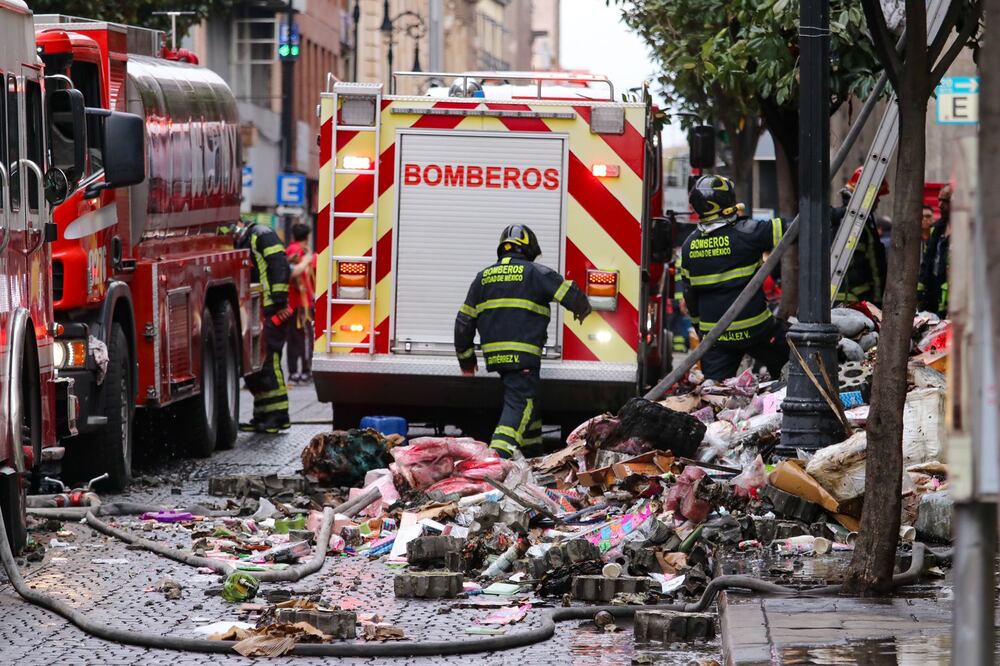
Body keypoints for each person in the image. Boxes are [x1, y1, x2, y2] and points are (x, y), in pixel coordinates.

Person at [454, 225, 592, 458]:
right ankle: (496, 457)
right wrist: (584, 310)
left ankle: (532, 453)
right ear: (528, 249)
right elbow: (570, 294)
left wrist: (466, 360)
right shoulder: (535, 273)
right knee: (521, 405)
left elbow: (463, 322)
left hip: (496, 356)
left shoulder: (483, 277)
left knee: (531, 403)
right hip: (523, 356)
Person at [678, 174, 789, 382]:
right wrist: (835, 215)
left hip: (717, 340)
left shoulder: (688, 246)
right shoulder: (748, 233)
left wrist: (703, 336)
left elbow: (690, 296)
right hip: (758, 331)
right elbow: (793, 227)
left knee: (715, 394)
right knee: (795, 360)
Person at [231, 219, 292, 434]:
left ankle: (278, 416)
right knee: (259, 365)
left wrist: (279, 298)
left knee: (270, 361)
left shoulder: (261, 234)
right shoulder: (248, 238)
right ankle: (262, 416)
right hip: (259, 309)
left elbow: (278, 263)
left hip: (270, 309)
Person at [830, 167, 889, 306]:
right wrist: (876, 302)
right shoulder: (858, 226)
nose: (878, 201)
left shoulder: (840, 219)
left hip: (837, 299)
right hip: (855, 301)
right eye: (877, 197)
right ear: (868, 195)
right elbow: (874, 267)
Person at [286, 222, 316, 383]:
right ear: (307, 237)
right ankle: (304, 371)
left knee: (294, 339)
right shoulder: (299, 252)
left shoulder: (291, 250)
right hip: (300, 304)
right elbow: (293, 272)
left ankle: (294, 371)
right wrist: (307, 260)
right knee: (305, 338)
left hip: (295, 303)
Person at [918, 185, 952, 317]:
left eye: (945, 201)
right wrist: (920, 293)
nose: (940, 205)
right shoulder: (936, 230)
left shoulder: (967, 230)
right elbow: (926, 264)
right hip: (932, 300)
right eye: (939, 200)